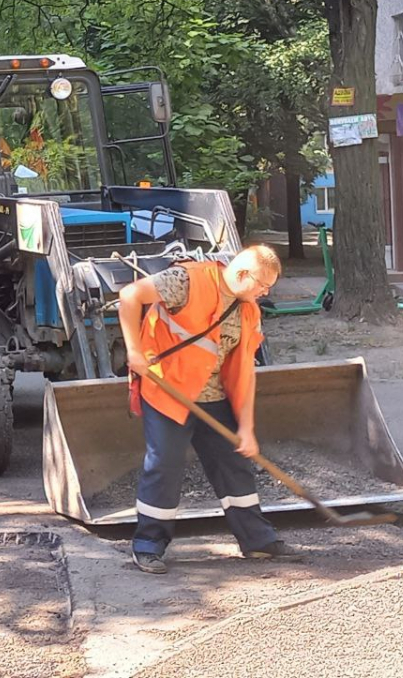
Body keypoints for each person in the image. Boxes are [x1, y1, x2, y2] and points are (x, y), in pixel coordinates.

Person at [117, 244, 302, 574]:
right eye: (262, 285)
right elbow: (130, 295)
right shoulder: (187, 280)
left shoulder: (248, 311)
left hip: (213, 396)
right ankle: (148, 545)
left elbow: (244, 372)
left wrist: (246, 428)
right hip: (168, 390)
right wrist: (134, 352)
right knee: (165, 463)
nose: (265, 292)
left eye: (269, 287)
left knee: (234, 463)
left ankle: (257, 542)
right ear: (243, 274)